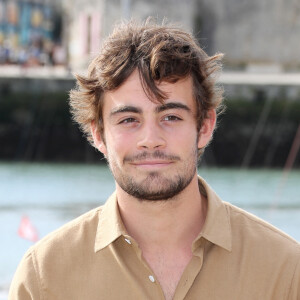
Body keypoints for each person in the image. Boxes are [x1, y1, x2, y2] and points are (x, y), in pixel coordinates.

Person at [9, 19, 299, 300]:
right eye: (128, 119)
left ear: (205, 127)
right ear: (98, 134)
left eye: (171, 117)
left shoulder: (286, 271)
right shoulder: (44, 277)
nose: (150, 138)